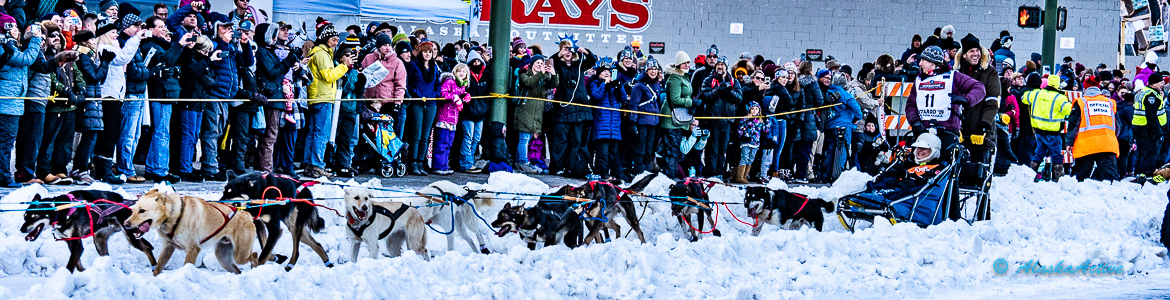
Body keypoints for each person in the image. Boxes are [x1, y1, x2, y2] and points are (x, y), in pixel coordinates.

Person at [905, 45, 987, 154]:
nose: (920, 64)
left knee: (946, 165)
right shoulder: (919, 80)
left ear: (933, 62)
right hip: (923, 131)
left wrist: (966, 100)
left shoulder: (953, 77)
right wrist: (915, 122)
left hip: (948, 132)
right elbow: (910, 105)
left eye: (923, 60)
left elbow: (979, 88)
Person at [254, 22, 306, 174]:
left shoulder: (268, 51)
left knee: (271, 136)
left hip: (276, 98)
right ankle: (265, 170)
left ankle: (264, 169)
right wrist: (290, 59)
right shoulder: (263, 52)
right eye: (274, 33)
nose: (275, 36)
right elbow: (273, 71)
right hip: (272, 98)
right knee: (269, 137)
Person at [139, 16, 182, 183]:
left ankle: (152, 167)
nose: (165, 29)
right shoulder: (151, 46)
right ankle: (160, 170)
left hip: (166, 94)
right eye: (161, 26)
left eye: (165, 26)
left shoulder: (162, 45)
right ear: (151, 29)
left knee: (162, 132)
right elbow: (163, 63)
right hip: (159, 94)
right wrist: (180, 45)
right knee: (162, 133)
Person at [304, 20, 349, 178]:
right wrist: (344, 66)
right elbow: (328, 75)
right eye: (334, 39)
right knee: (320, 133)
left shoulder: (320, 52)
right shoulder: (322, 54)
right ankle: (317, 164)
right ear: (325, 38)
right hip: (322, 97)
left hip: (317, 97)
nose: (337, 43)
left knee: (313, 132)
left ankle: (309, 164)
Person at [549, 40, 596, 178]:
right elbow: (551, 61)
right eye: (564, 49)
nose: (567, 52)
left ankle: (573, 167)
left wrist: (585, 51)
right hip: (563, 108)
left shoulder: (580, 64)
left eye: (570, 49)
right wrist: (559, 54)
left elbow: (592, 61)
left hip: (579, 108)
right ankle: (558, 167)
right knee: (560, 139)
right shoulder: (557, 64)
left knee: (577, 140)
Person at [174, 33, 215, 182]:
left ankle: (188, 166)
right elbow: (192, 71)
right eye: (203, 51)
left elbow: (211, 82)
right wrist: (206, 64)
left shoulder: (204, 62)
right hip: (189, 102)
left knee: (193, 137)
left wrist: (204, 74)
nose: (205, 54)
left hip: (200, 102)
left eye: (207, 52)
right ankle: (185, 168)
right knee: (188, 136)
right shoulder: (191, 59)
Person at [955, 34, 1000, 164]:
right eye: (971, 51)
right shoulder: (957, 73)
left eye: (977, 51)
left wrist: (984, 125)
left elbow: (992, 102)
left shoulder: (990, 73)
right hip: (960, 132)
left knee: (978, 174)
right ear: (964, 55)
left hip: (982, 131)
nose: (975, 54)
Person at [697, 56, 742, 179]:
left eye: (722, 65)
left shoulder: (733, 81)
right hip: (713, 119)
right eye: (718, 64)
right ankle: (711, 172)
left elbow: (739, 98)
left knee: (723, 148)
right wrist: (717, 90)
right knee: (713, 147)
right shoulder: (708, 80)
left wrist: (728, 91)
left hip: (727, 120)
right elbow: (705, 96)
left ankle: (720, 171)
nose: (720, 67)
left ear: (726, 67)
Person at [1020, 75, 1073, 179]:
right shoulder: (1060, 98)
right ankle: (1058, 179)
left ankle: (1030, 176)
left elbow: (1024, 98)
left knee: (1038, 155)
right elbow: (1068, 110)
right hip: (1053, 133)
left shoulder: (1036, 93)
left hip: (1038, 131)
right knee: (1057, 157)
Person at [865, 133, 945, 200]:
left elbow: (927, 184)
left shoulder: (937, 168)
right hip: (895, 188)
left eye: (924, 148)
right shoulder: (909, 163)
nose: (919, 151)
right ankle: (875, 191)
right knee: (890, 175)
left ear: (933, 151)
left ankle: (884, 194)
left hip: (910, 194)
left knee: (909, 183)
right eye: (918, 148)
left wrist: (908, 175)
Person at [1065, 86, 1120, 181]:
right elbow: (1118, 125)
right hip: (1107, 144)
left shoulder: (1081, 102)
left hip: (1086, 145)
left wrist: (1069, 142)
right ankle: (1114, 194)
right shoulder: (1109, 103)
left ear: (1084, 92)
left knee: (1080, 176)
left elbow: (1074, 125)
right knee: (1110, 177)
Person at [404, 40, 440, 175]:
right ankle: (413, 162)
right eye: (425, 51)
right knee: (416, 134)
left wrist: (435, 95)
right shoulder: (413, 65)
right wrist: (417, 94)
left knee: (426, 135)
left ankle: (420, 162)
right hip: (417, 103)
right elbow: (409, 84)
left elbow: (438, 84)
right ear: (420, 52)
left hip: (431, 104)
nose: (428, 54)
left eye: (430, 52)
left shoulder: (434, 67)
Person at [514, 56, 555, 174]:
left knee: (527, 138)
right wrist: (541, 74)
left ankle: (520, 161)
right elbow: (527, 83)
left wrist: (553, 74)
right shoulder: (524, 74)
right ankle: (522, 161)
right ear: (532, 64)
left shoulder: (542, 77)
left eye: (542, 62)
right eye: (537, 62)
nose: (540, 64)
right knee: (524, 138)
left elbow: (553, 84)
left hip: (536, 113)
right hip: (524, 111)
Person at [821, 72, 863, 182]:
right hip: (844, 126)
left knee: (830, 151)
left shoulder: (826, 93)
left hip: (829, 126)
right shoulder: (845, 95)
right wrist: (856, 118)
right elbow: (857, 110)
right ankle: (837, 176)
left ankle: (827, 175)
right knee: (842, 151)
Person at [659, 51, 694, 179]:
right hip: (671, 120)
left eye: (688, 63)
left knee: (676, 151)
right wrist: (691, 102)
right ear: (678, 64)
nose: (687, 65)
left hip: (679, 119)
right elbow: (675, 100)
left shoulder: (684, 77)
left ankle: (672, 175)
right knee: (671, 152)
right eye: (684, 63)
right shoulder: (674, 78)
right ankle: (670, 178)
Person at [588, 61, 625, 181]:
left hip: (614, 126)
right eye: (604, 71)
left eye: (608, 72)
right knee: (602, 152)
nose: (606, 73)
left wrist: (619, 87)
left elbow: (623, 98)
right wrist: (604, 84)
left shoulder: (614, 85)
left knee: (612, 152)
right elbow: (597, 96)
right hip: (601, 124)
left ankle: (609, 173)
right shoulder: (595, 83)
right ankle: (601, 173)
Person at [432, 63, 471, 175]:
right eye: (459, 71)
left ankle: (444, 165)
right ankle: (438, 165)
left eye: (464, 71)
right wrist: (454, 97)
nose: (461, 73)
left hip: (453, 119)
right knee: (442, 143)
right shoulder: (449, 81)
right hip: (444, 117)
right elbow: (443, 94)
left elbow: (461, 94)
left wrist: (465, 96)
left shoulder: (462, 85)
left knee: (449, 143)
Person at [457, 48, 490, 173]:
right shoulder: (466, 75)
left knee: (476, 138)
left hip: (480, 111)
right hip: (467, 112)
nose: (476, 64)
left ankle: (470, 161)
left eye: (478, 61)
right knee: (468, 137)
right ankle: (465, 163)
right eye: (474, 62)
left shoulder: (486, 75)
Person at [628, 56, 662, 177]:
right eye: (651, 69)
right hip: (642, 122)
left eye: (655, 69)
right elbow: (633, 105)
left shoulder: (657, 85)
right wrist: (633, 122)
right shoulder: (639, 86)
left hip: (653, 122)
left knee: (650, 149)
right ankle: (639, 172)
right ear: (646, 70)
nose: (653, 71)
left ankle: (647, 171)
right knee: (640, 149)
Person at [1132, 72, 1166, 175]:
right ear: (1153, 84)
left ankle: (1138, 173)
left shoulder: (1143, 92)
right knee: (1149, 153)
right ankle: (1147, 175)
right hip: (1148, 129)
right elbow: (1152, 116)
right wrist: (1157, 132)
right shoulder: (1151, 96)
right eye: (1161, 82)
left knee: (1140, 153)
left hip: (1140, 127)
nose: (1163, 84)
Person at [733, 101, 768, 183]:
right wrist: (743, 136)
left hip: (755, 143)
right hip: (746, 142)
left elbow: (766, 130)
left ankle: (745, 176)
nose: (755, 111)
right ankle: (739, 176)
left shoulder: (760, 120)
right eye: (753, 109)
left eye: (756, 109)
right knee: (744, 158)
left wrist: (767, 121)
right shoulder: (745, 119)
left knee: (751, 159)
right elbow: (740, 129)